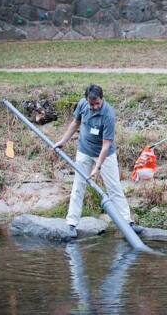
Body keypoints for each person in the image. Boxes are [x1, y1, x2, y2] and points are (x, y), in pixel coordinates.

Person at [55, 85, 143, 237]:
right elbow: (75, 123)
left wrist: (97, 167)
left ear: (102, 99)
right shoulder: (83, 104)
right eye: (92, 104)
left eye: (98, 104)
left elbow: (106, 145)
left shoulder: (108, 115)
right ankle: (71, 224)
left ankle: (128, 223)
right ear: (87, 101)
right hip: (83, 151)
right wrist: (63, 141)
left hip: (105, 155)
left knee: (114, 187)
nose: (95, 107)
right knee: (78, 186)